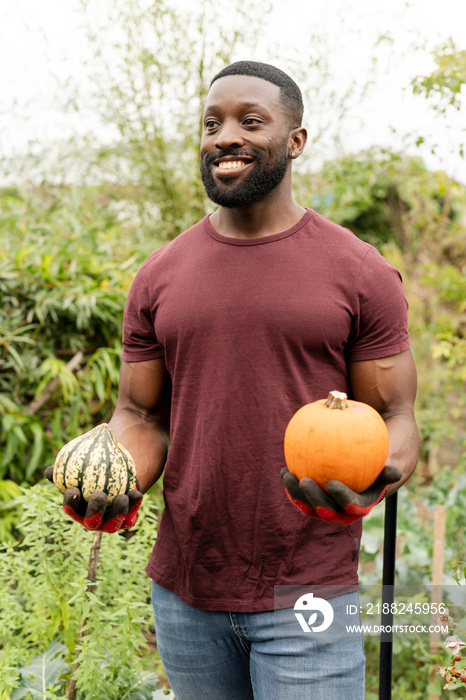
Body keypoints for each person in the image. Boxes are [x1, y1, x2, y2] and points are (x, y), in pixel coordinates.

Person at [46, 61, 419, 699]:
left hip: (309, 588)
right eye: (212, 123)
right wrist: (113, 482)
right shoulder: (160, 275)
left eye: (250, 121)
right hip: (186, 591)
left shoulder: (360, 272)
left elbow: (397, 418)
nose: (224, 136)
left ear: (295, 141)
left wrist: (377, 479)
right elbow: (139, 417)